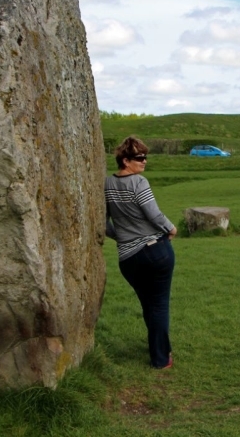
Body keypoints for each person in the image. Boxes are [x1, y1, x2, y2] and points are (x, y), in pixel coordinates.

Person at [105, 136, 178, 369]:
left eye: (145, 157)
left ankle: (159, 348)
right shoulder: (139, 182)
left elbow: (102, 223)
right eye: (139, 158)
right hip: (155, 252)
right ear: (125, 161)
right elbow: (153, 214)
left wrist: (121, 237)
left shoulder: (107, 184)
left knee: (149, 305)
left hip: (129, 259)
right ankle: (161, 359)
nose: (144, 161)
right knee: (159, 305)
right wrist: (171, 228)